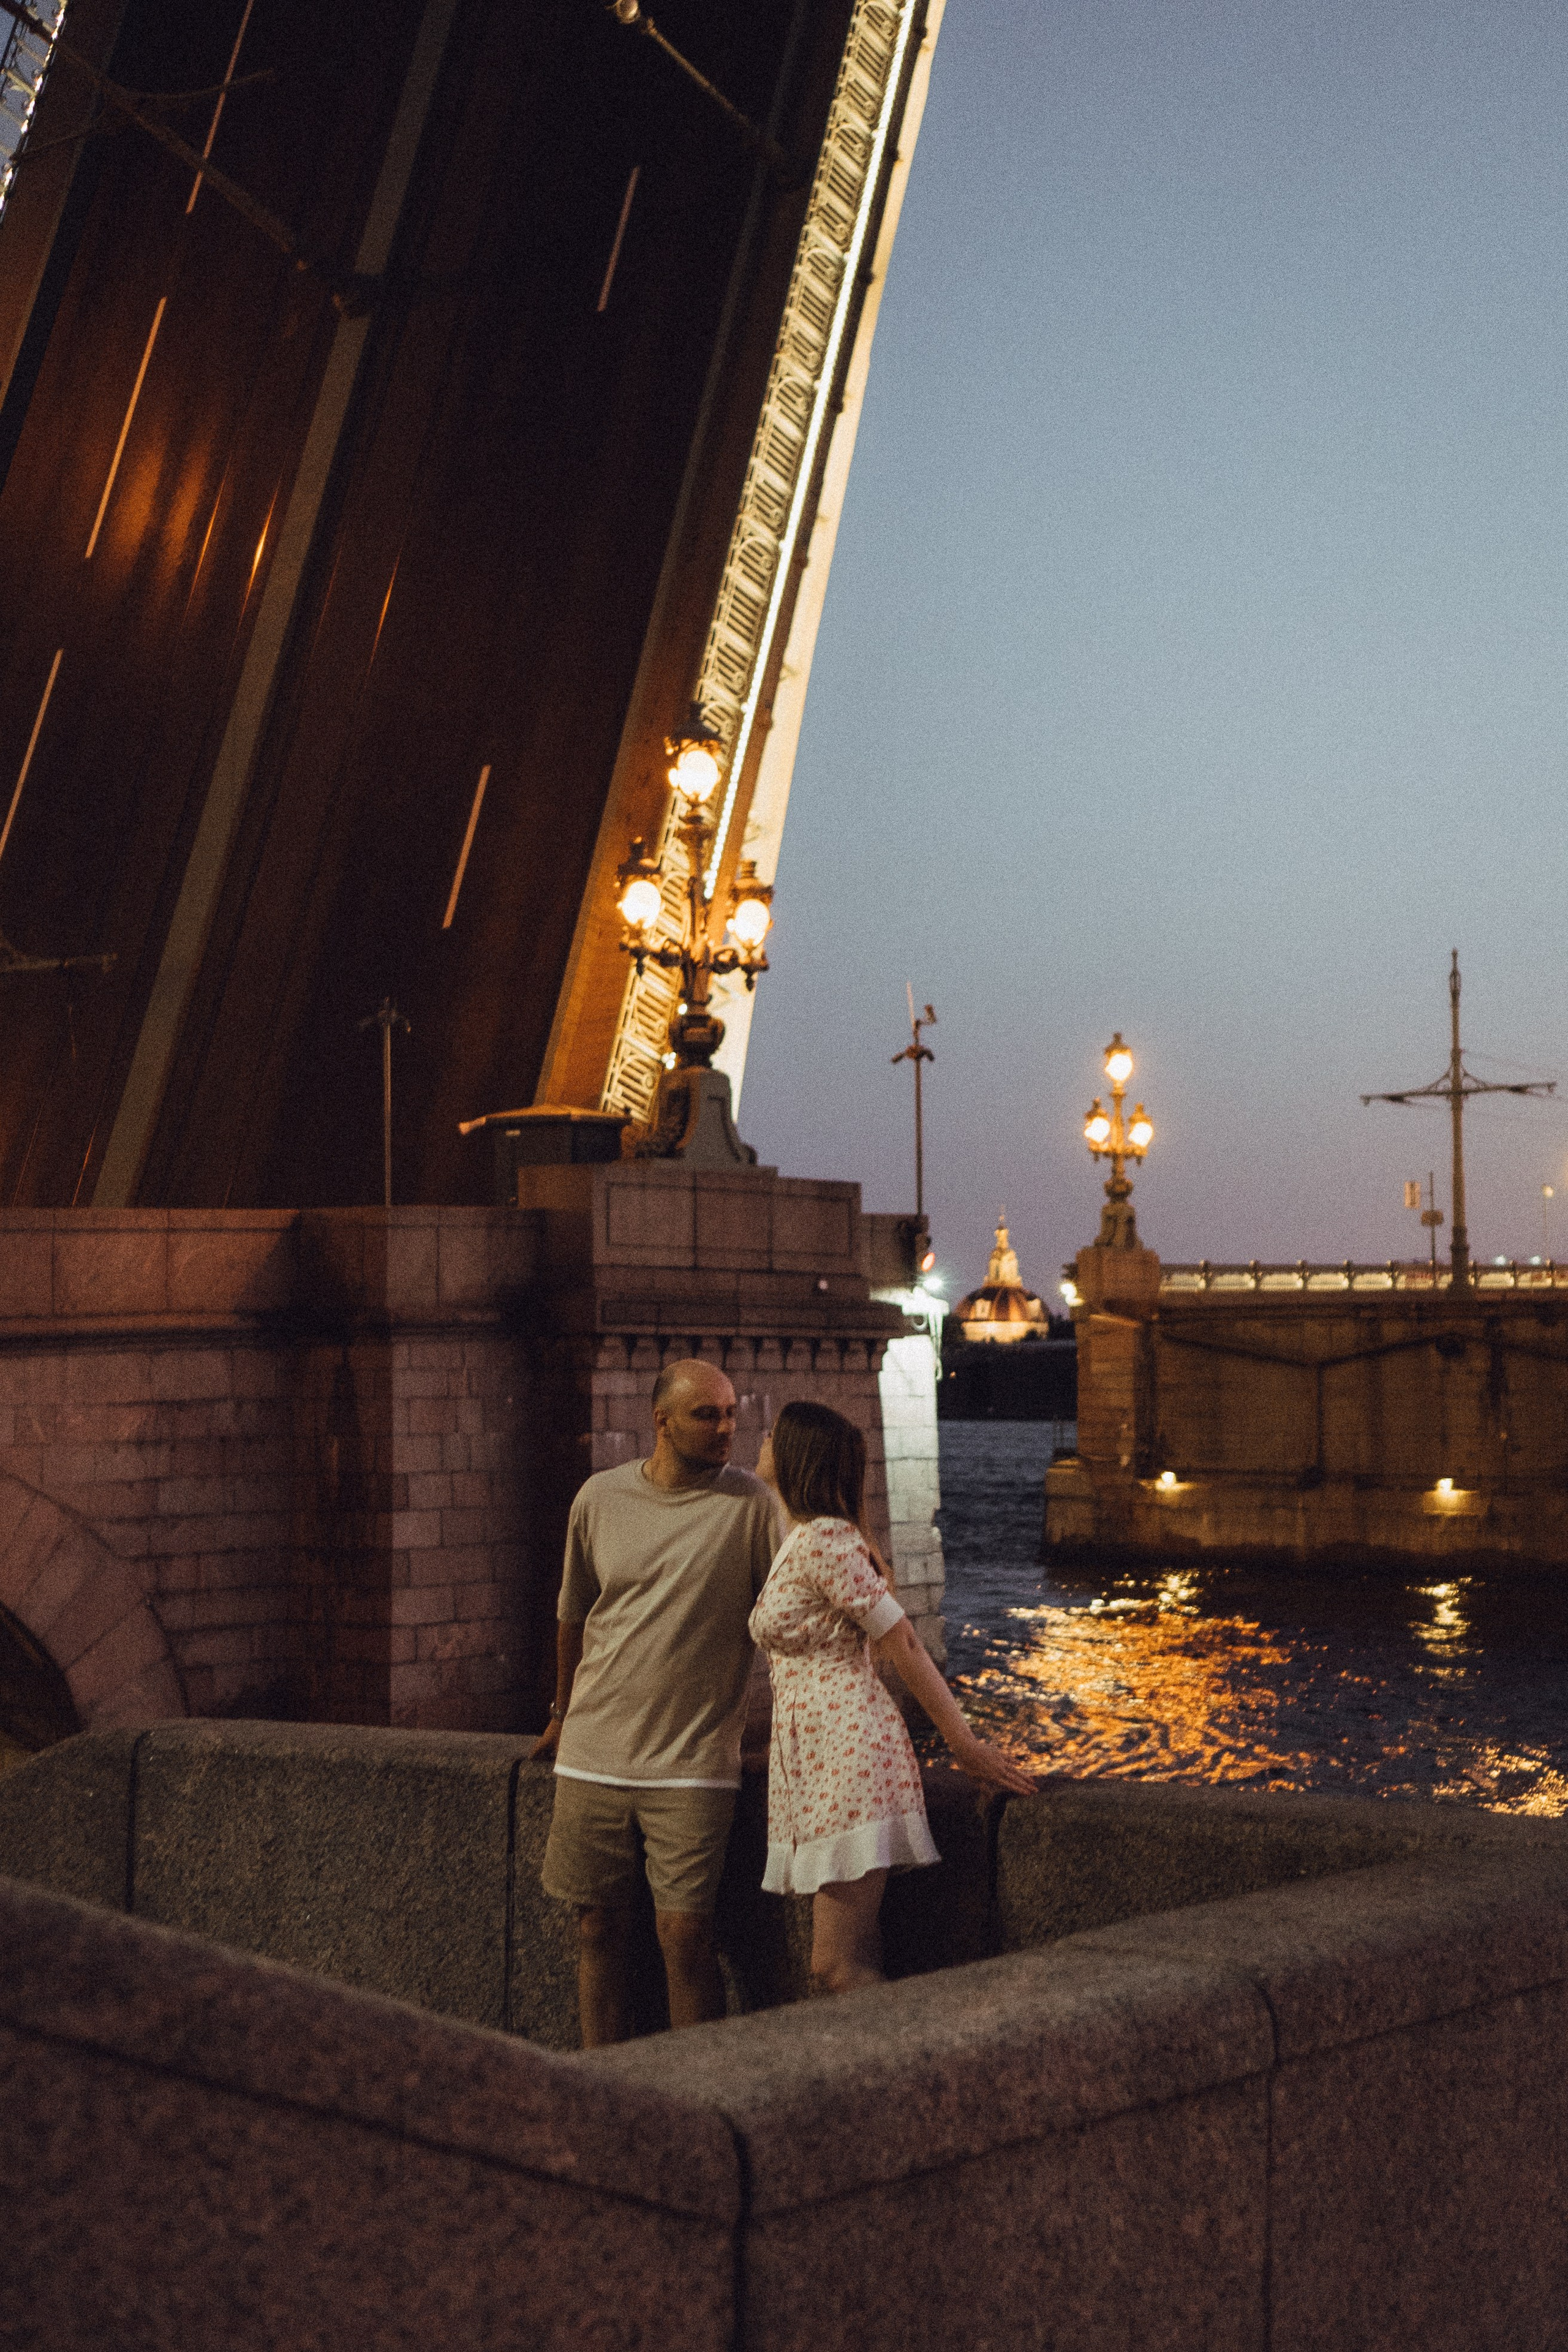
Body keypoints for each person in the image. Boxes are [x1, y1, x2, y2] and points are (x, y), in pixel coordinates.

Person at [751, 1400, 1036, 1996]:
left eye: (773, 1435)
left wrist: (964, 1744)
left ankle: (910, 2047)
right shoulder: (801, 1539)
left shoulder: (825, 1541)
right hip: (815, 1759)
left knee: (834, 1967)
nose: (762, 1440)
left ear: (796, 1455)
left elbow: (903, 1640)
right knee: (852, 1956)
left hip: (848, 1755)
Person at [532, 1357, 778, 2046]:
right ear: (661, 1422)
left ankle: (693, 2088)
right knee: (595, 1928)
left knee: (686, 1936)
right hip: (592, 1756)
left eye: (731, 1414)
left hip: (693, 1764)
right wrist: (560, 1714)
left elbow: (796, 1604)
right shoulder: (600, 1497)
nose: (725, 1428)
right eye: (707, 1415)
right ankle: (602, 2082)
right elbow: (573, 1615)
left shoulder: (751, 1505)